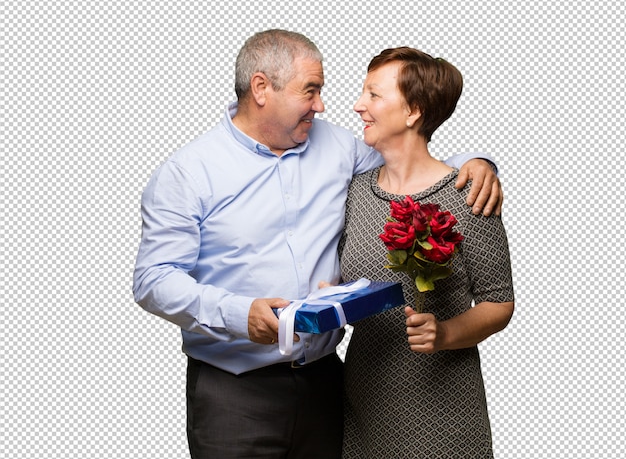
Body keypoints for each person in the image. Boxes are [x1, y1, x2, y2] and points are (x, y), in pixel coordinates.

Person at [132, 30, 502, 459]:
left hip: (328, 387)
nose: (322, 105)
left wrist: (476, 164)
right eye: (311, 91)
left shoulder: (341, 148)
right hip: (233, 397)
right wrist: (237, 313)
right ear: (261, 88)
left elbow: (410, 161)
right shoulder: (188, 173)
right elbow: (153, 280)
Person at [339, 47, 515, 458]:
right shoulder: (354, 193)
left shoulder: (469, 194)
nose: (358, 105)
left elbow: (498, 302)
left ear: (413, 111)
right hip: (365, 402)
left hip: (444, 409)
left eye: (374, 95)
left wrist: (446, 334)